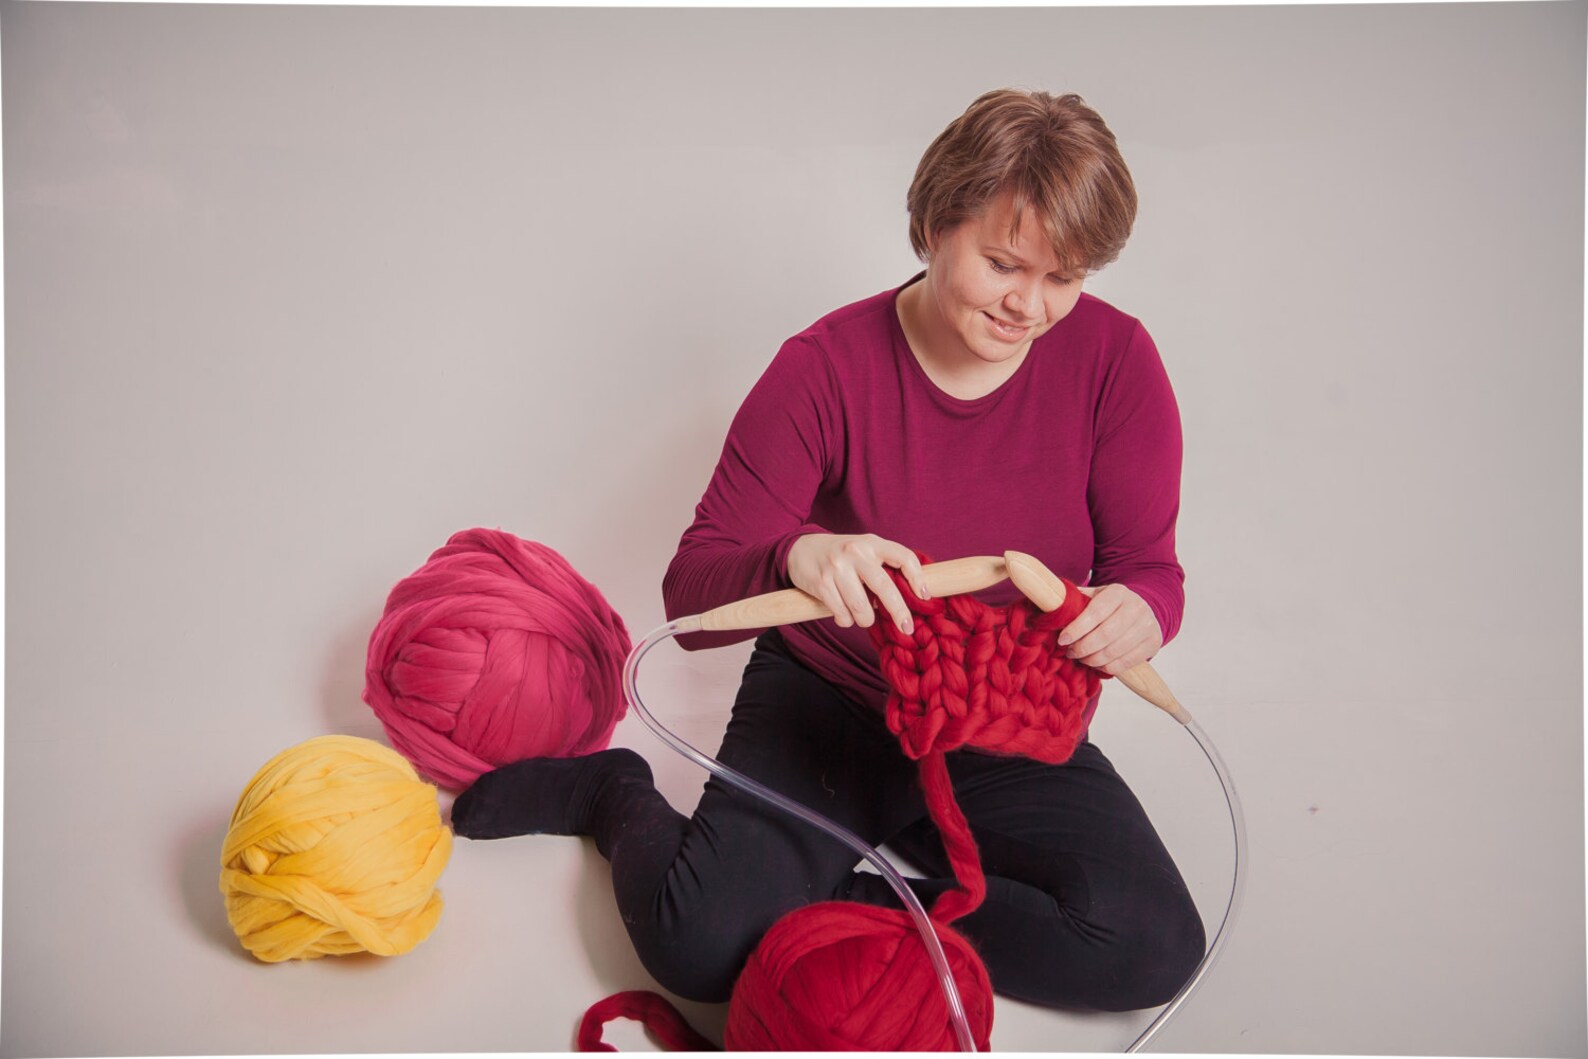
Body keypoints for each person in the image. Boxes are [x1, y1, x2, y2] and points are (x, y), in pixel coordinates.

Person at [452, 88, 1205, 1013]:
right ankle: (611, 793)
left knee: (1150, 945)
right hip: (832, 707)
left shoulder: (1117, 361)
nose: (1030, 304)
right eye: (1003, 263)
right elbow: (690, 599)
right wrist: (797, 556)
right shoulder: (825, 368)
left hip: (1002, 715)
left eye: (1065, 277)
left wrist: (1142, 612)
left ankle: (857, 890)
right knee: (696, 950)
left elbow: (1149, 570)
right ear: (935, 224)